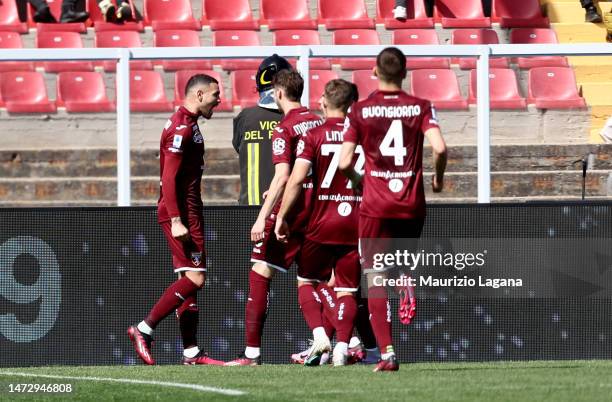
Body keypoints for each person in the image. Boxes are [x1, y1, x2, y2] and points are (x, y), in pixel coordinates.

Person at [338, 47, 448, 372]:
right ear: (405, 72)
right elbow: (440, 147)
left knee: (374, 276)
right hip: (412, 204)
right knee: (399, 262)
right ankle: (406, 276)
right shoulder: (421, 106)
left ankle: (387, 353)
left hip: (376, 205)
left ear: (374, 71)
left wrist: (360, 181)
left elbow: (344, 162)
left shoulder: (360, 110)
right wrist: (438, 179)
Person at [225, 69, 323, 366]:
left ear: (278, 93)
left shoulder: (284, 127)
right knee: (321, 280)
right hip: (323, 207)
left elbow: (282, 176)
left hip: (293, 209)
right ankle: (345, 343)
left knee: (260, 271)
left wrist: (262, 218)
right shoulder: (319, 120)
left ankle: (251, 353)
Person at [127, 74, 223, 366]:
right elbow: (168, 178)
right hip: (182, 214)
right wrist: (177, 219)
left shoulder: (186, 124)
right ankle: (144, 329)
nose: (219, 101)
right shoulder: (181, 129)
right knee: (196, 277)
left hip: (187, 211)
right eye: (215, 95)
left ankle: (191, 352)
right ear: (199, 95)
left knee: (186, 279)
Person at [275, 79, 363, 366]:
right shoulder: (363, 135)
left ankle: (318, 336)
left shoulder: (314, 135)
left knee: (306, 281)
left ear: (324, 102)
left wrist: (283, 217)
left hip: (322, 223)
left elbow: (297, 179)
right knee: (348, 289)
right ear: (352, 105)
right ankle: (342, 348)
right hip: (355, 223)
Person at [233, 54, 292, 205]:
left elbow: (238, 147)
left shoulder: (245, 117)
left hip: (250, 205)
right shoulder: (298, 119)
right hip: (287, 205)